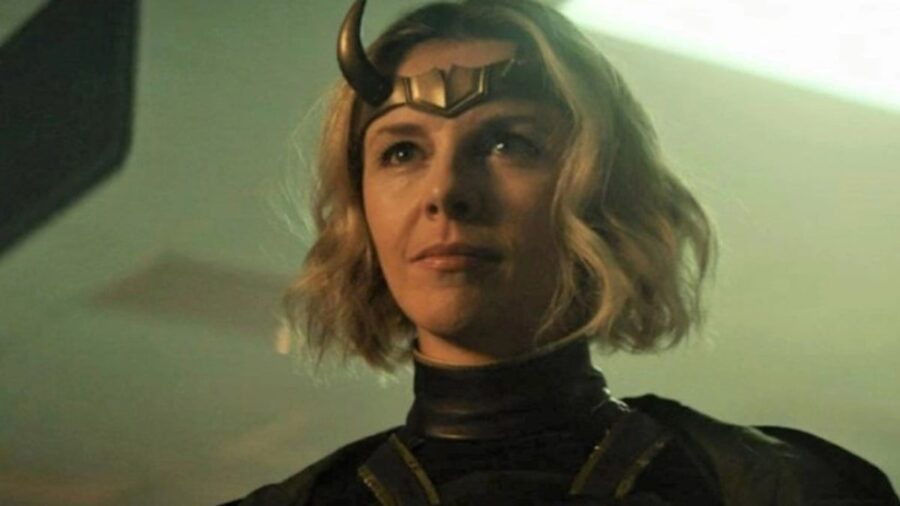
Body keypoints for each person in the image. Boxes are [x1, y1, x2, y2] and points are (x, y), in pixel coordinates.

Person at [223, 0, 899, 504]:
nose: (446, 192)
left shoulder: (781, 490)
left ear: (600, 190)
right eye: (402, 151)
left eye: (507, 143)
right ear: (361, 202)